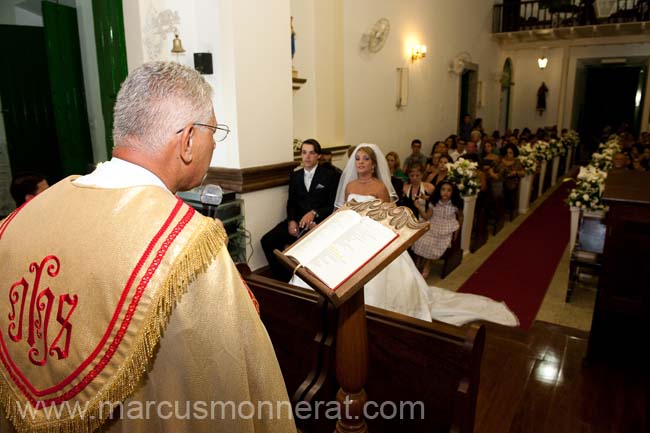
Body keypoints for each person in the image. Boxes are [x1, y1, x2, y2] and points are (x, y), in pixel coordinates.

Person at [0, 62, 296, 433]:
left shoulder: (20, 220)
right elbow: (228, 381)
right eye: (213, 132)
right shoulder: (186, 245)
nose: (212, 145)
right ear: (188, 140)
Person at [291, 143, 518, 327]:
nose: (360, 163)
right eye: (357, 158)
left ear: (373, 164)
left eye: (365, 159)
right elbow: (343, 213)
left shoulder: (379, 187)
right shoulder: (349, 186)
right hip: (350, 237)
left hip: (371, 238)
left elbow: (387, 217)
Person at [261, 138, 340, 281]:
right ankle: (284, 280)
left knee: (308, 248)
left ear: (318, 156)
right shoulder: (295, 176)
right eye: (304, 153)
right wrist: (291, 221)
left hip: (318, 224)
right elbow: (291, 202)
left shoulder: (330, 176)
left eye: (311, 153)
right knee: (267, 240)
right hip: (296, 221)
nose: (307, 157)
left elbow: (332, 204)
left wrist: (314, 213)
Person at [412, 180, 463, 279]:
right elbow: (427, 217)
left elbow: (461, 217)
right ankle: (418, 263)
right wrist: (419, 207)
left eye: (449, 190)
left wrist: (458, 229)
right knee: (421, 239)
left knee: (433, 243)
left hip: (447, 227)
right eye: (443, 190)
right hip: (433, 223)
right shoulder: (434, 202)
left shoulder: (455, 204)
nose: (445, 192)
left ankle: (427, 265)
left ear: (453, 192)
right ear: (439, 191)